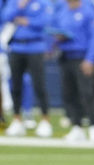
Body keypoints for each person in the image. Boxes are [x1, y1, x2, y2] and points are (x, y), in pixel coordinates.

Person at [53, 0, 94, 142]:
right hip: (65, 55)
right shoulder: (61, 9)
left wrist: (90, 59)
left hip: (82, 57)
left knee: (86, 92)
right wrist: (57, 38)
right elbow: (54, 28)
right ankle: (77, 126)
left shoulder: (88, 10)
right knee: (69, 93)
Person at [1, 0, 53, 137]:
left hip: (35, 47)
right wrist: (20, 6)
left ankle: (45, 120)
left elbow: (46, 21)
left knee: (39, 85)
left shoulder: (43, 2)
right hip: (16, 46)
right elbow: (5, 16)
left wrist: (28, 21)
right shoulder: (15, 2)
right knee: (15, 85)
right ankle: (17, 119)